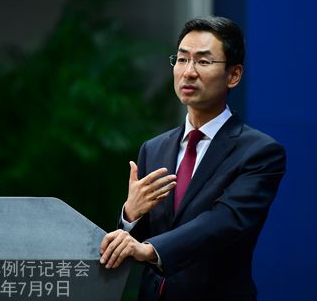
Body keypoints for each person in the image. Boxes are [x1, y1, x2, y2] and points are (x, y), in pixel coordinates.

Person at [99, 16, 286, 301]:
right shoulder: (154, 148)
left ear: (233, 75)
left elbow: (225, 221)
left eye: (203, 61)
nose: (188, 72)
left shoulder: (259, 152)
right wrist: (130, 215)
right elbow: (133, 243)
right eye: (182, 59)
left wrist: (152, 249)